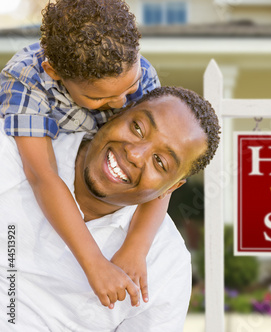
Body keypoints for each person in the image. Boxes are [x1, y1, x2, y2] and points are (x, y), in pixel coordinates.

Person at [0, 86, 221, 331]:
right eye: (138, 128)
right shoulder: (12, 152)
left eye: (160, 162)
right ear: (117, 113)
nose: (136, 154)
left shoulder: (166, 264)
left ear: (171, 188)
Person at [0, 0, 173, 308]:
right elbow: (42, 175)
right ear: (54, 71)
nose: (121, 103)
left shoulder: (142, 74)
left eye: (128, 88)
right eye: (98, 97)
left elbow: (165, 176)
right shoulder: (26, 79)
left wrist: (136, 246)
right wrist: (94, 263)